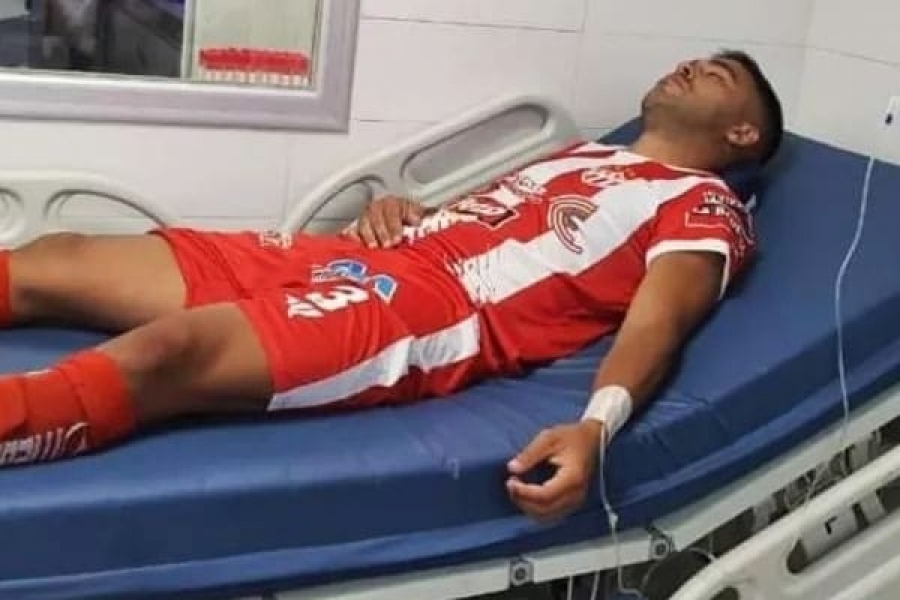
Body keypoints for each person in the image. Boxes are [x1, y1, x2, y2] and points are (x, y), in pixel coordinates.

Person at [0, 49, 782, 522]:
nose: (689, 65)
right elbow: (489, 221)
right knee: (60, 257)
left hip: (434, 307)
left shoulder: (704, 204)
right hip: (367, 253)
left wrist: (596, 428)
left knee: (170, 353)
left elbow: (656, 323)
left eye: (715, 74)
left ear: (741, 133)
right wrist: (404, 209)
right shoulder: (582, 154)